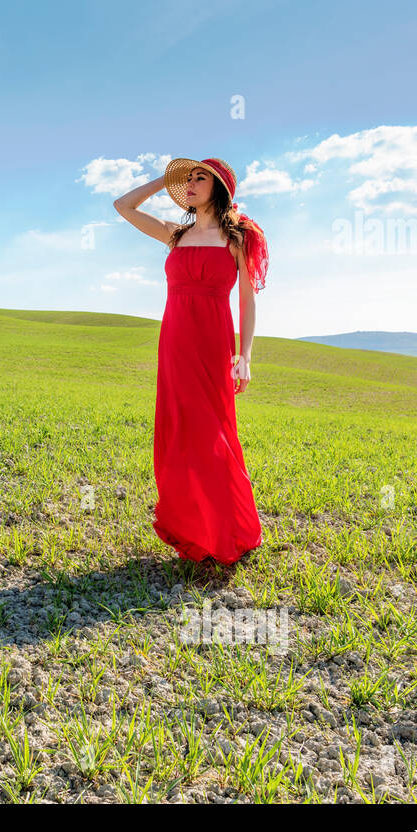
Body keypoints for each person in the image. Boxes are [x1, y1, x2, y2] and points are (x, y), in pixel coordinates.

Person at [113, 157, 269, 565]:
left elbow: (247, 301)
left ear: (218, 187)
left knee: (213, 433)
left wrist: (245, 355)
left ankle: (227, 528)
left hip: (213, 342)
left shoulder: (237, 239)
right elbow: (123, 206)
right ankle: (191, 527)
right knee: (181, 432)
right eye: (189, 178)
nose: (192, 183)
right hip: (176, 342)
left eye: (201, 177)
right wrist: (164, 180)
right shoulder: (174, 235)